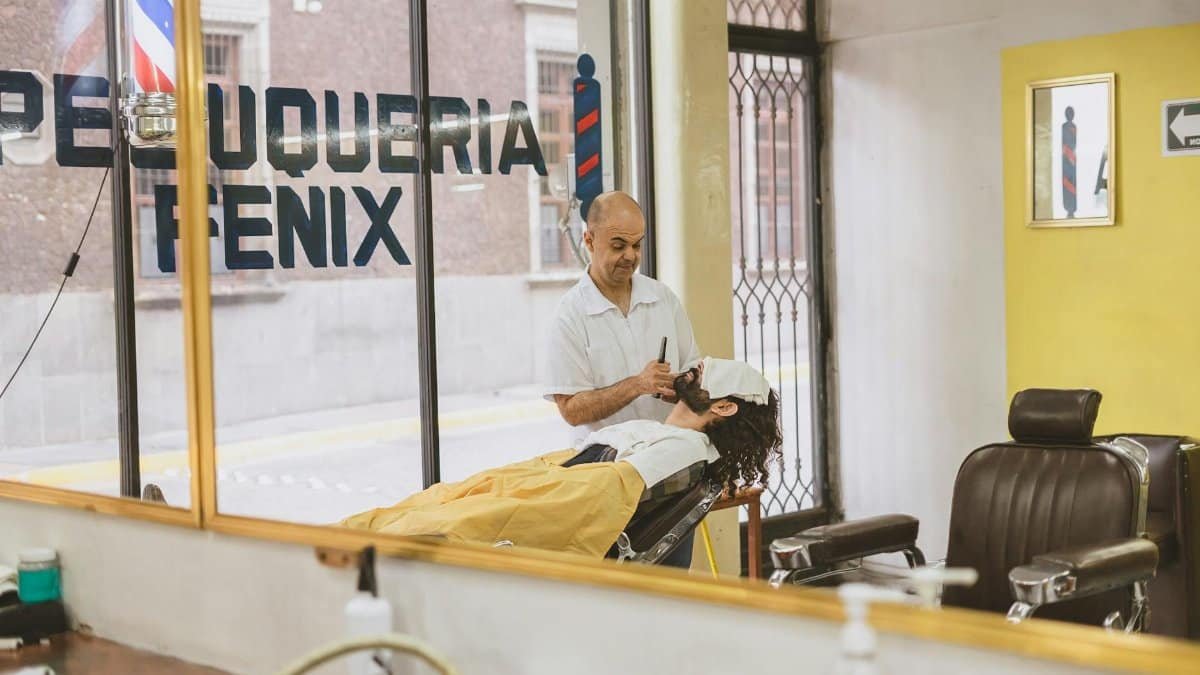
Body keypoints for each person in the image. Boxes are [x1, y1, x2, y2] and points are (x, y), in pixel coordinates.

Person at [342, 359, 782, 562]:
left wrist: (509, 497)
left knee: (418, 531)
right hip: (533, 483)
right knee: (405, 512)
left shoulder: (686, 449)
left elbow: (594, 496)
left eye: (704, 373)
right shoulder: (665, 433)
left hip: (544, 502)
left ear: (724, 407)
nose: (694, 367)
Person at [543, 190, 703, 566]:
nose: (629, 256)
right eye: (618, 245)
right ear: (588, 240)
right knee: (619, 594)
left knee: (671, 590)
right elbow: (572, 409)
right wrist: (638, 384)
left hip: (670, 475)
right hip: (604, 481)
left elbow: (696, 373)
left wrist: (679, 387)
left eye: (636, 245)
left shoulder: (663, 299)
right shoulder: (570, 316)